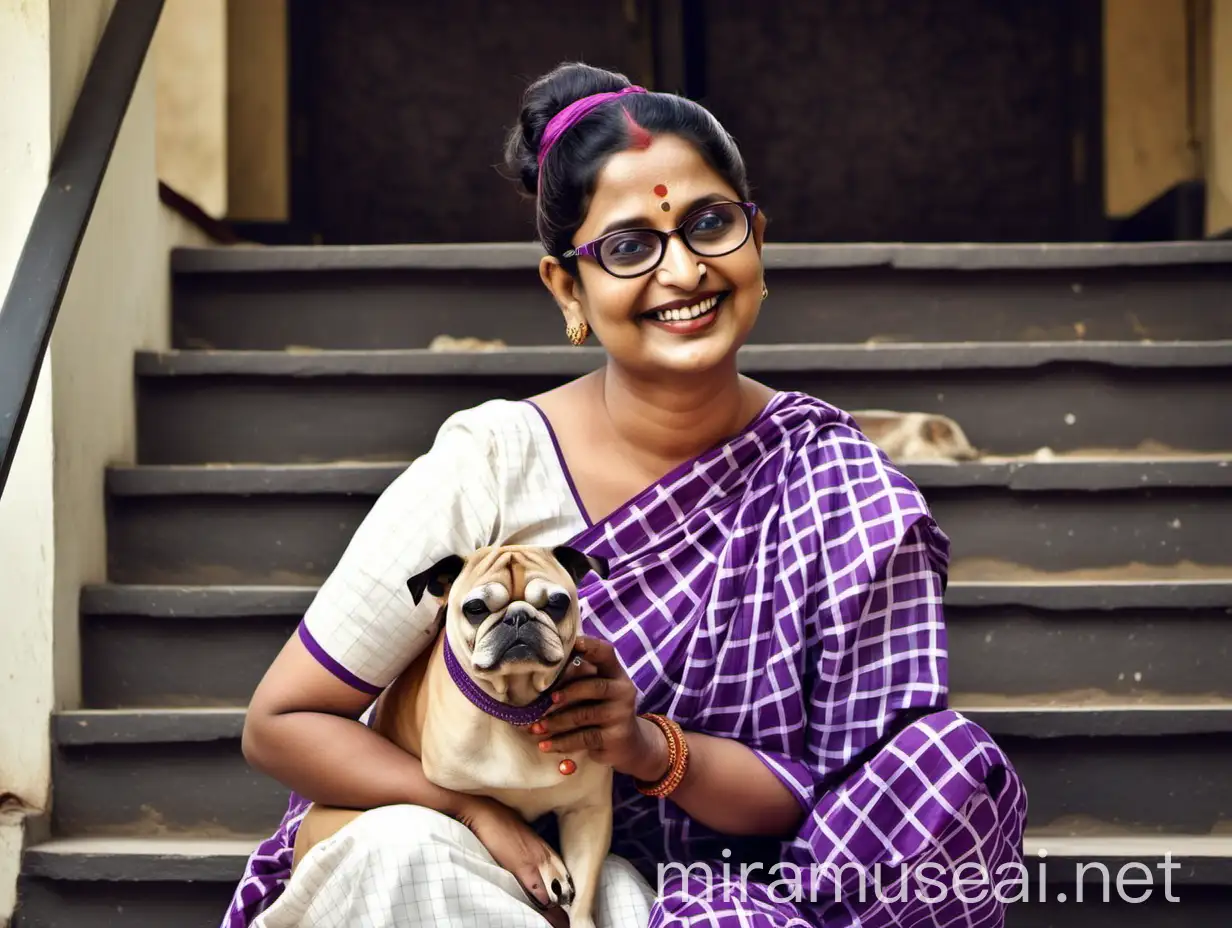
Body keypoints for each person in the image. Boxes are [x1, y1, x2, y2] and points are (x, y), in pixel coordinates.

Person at [220, 62, 1026, 928]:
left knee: (949, 764)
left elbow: (835, 798)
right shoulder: (492, 464)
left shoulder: (837, 486)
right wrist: (473, 810)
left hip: (721, 888)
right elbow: (284, 720)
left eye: (711, 225)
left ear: (758, 240)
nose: (682, 272)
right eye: (630, 246)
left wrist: (644, 747)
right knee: (401, 855)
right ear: (568, 287)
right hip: (480, 867)